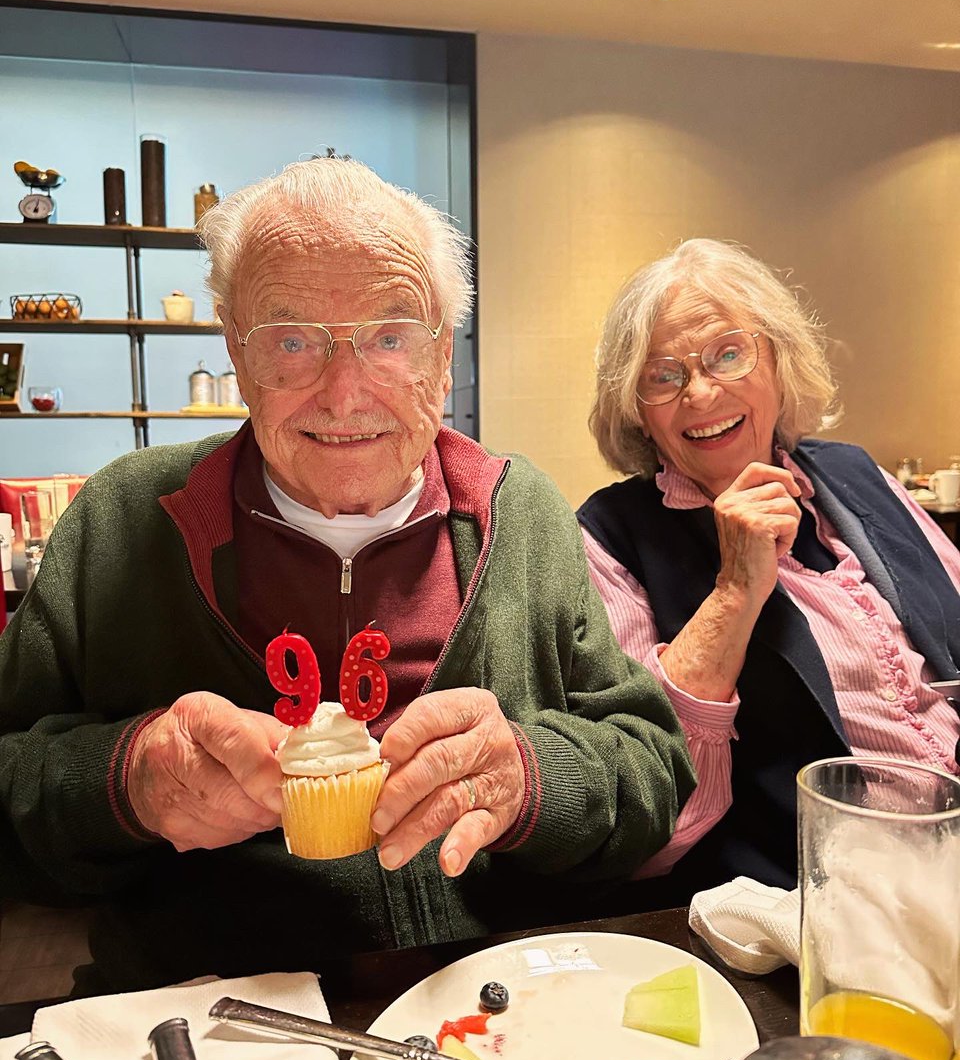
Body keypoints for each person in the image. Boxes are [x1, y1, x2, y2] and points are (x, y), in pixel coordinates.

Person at [0, 157, 695, 991]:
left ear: (443, 354)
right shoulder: (121, 521)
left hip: (493, 1003)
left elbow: (654, 769)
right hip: (212, 1011)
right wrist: (126, 781)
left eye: (390, 337)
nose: (344, 394)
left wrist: (529, 778)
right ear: (235, 349)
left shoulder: (522, 515)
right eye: (291, 341)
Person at [578, 238, 960, 898]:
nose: (701, 392)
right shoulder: (611, 538)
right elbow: (651, 828)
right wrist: (735, 590)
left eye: (728, 354)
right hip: (825, 895)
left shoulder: (854, 472)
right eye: (662, 376)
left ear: (781, 361)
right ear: (637, 411)